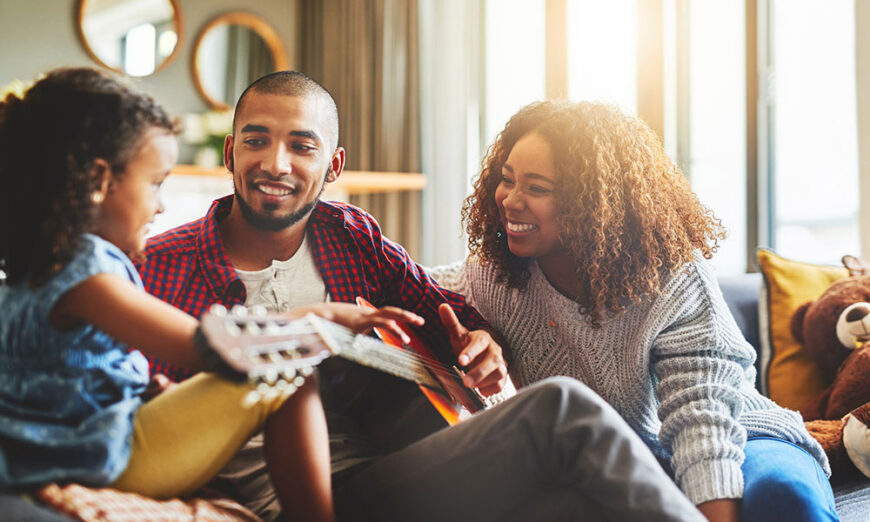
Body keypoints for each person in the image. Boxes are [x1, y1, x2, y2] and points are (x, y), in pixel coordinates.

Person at [137, 70, 706, 521]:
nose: (274, 163)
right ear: (229, 150)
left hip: (393, 471)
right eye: (256, 141)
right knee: (561, 406)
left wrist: (479, 342)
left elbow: (444, 308)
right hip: (307, 499)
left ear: (333, 165)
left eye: (301, 146)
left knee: (574, 509)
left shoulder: (350, 237)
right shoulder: (158, 266)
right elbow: (131, 407)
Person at [0, 67, 427, 522]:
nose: (161, 205)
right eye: (154, 183)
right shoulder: (88, 274)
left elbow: (69, 377)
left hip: (77, 448)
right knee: (288, 375)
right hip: (112, 457)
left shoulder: (34, 270)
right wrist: (319, 317)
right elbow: (210, 346)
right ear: (100, 182)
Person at [429, 100, 838, 522]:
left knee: (785, 501)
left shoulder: (671, 277)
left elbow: (703, 423)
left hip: (741, 439)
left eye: (537, 188)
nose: (510, 201)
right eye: (506, 179)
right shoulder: (495, 275)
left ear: (593, 202)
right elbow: (406, 283)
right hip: (619, 471)